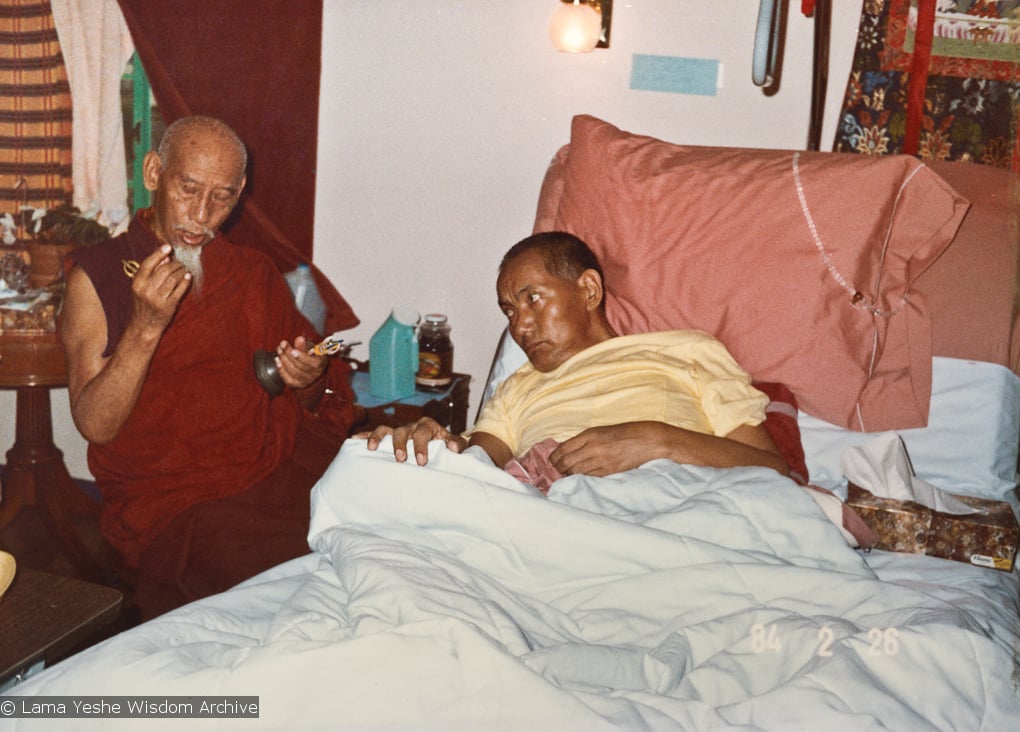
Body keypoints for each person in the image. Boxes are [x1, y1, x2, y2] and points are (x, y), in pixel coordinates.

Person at [60, 116, 358, 619]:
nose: (201, 215)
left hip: (275, 469)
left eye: (222, 197)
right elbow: (95, 424)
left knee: (369, 548)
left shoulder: (252, 273)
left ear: (240, 193)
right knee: (293, 597)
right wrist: (146, 326)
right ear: (154, 172)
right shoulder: (98, 275)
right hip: (174, 501)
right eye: (189, 188)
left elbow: (311, 398)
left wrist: (306, 382)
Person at [365, 231, 788, 481]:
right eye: (509, 311)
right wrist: (430, 442)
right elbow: (474, 465)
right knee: (355, 469)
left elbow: (771, 471)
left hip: (675, 504)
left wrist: (658, 441)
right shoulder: (517, 388)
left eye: (533, 299)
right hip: (556, 516)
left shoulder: (687, 352)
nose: (520, 326)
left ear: (588, 290)